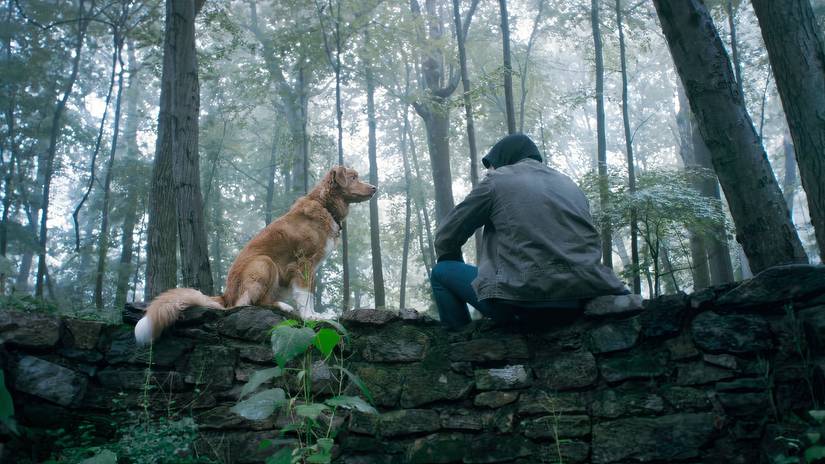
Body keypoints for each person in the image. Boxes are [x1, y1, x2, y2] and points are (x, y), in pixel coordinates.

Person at [430, 133, 628, 330]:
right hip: (582, 296)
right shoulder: (569, 184)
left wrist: (453, 259)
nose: (491, 170)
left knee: (442, 271)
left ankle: (461, 345)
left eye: (492, 164)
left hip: (523, 301)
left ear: (503, 158)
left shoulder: (497, 181)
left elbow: (446, 236)